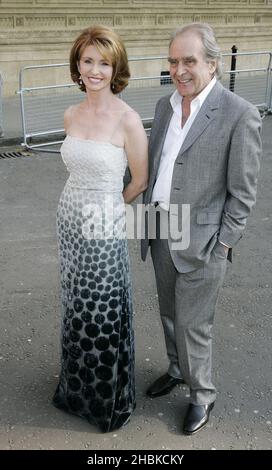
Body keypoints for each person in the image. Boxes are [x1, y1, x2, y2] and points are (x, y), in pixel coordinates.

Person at [141, 23, 262, 435]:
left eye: (189, 61)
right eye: (173, 61)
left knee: (195, 323)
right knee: (169, 313)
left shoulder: (238, 113)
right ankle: (177, 370)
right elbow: (157, 168)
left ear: (212, 63)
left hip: (205, 239)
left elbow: (243, 193)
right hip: (158, 226)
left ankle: (202, 395)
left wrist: (223, 244)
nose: (179, 70)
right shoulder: (165, 106)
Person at [52, 25, 148, 433]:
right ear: (77, 64)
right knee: (76, 308)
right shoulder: (71, 113)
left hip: (103, 230)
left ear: (115, 68)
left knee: (103, 312)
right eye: (87, 61)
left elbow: (139, 180)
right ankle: (75, 389)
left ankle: (105, 400)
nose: (94, 70)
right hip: (69, 223)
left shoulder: (128, 120)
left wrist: (109, 210)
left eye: (103, 63)